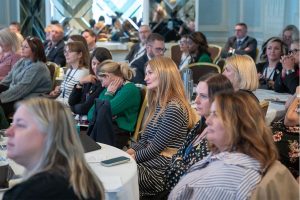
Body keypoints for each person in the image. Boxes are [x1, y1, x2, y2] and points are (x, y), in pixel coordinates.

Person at [168, 91, 279, 199]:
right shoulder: (242, 155)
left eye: (215, 115)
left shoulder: (220, 184)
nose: (208, 121)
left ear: (237, 124)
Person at [3, 98, 104, 199]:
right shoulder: (84, 180)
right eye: (13, 124)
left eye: (20, 125)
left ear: (50, 134)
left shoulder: (29, 194)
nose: (8, 132)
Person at [126, 57, 198, 198]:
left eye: (150, 73)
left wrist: (128, 159)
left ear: (165, 74)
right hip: (151, 162)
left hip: (160, 172)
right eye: (146, 73)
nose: (145, 78)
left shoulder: (174, 108)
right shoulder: (160, 104)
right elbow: (144, 140)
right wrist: (128, 153)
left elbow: (155, 148)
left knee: (117, 174)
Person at [165, 73, 234, 193]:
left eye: (203, 96)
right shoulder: (201, 123)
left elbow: (192, 179)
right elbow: (177, 156)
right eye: (196, 94)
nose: (196, 101)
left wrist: (177, 164)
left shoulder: (218, 136)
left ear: (219, 100)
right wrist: (178, 163)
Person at [87, 60, 141, 149]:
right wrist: (104, 114)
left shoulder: (129, 90)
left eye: (102, 80)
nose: (102, 85)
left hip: (118, 134)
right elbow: (90, 115)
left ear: (107, 76)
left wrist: (109, 95)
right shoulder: (108, 90)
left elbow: (101, 112)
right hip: (105, 130)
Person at [0, 36, 52, 117]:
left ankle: (5, 128)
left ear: (35, 50)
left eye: (26, 47)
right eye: (22, 46)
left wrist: (1, 97)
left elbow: (21, 89)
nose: (22, 48)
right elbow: (7, 80)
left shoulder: (38, 67)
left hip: (30, 99)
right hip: (17, 94)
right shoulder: (22, 61)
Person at [68, 47, 112, 115]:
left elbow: (85, 109)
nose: (96, 67)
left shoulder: (105, 83)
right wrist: (80, 83)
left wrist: (73, 108)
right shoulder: (90, 79)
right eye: (94, 63)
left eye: (99, 64)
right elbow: (71, 101)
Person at [272, 86, 299, 181]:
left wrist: (299, 95)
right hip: (285, 133)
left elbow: (289, 119)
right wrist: (296, 93)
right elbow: (287, 106)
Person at [49, 41, 89, 106]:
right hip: (59, 104)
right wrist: (56, 92)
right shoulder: (70, 69)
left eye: (70, 51)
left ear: (80, 55)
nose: (66, 54)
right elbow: (64, 94)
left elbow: (75, 100)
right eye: (65, 51)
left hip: (68, 108)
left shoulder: (83, 72)